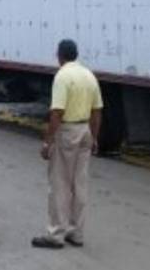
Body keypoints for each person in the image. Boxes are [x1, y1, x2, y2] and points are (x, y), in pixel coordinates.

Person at [32, 39, 103, 250]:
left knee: (60, 183)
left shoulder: (62, 76)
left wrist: (48, 141)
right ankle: (76, 232)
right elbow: (97, 111)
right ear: (76, 54)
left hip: (68, 131)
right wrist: (95, 137)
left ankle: (56, 233)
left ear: (60, 55)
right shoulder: (89, 76)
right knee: (79, 184)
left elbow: (57, 112)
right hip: (85, 131)